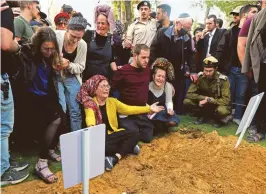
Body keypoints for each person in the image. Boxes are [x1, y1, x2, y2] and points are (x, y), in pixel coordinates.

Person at [76, 75, 164, 171]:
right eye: (102, 86)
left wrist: (148, 108)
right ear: (95, 90)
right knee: (102, 148)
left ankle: (115, 158)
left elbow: (129, 109)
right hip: (100, 139)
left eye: (107, 86)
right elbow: (90, 118)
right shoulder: (90, 104)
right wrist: (91, 126)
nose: (106, 89)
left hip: (114, 135)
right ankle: (128, 147)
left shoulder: (112, 101)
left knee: (135, 133)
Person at [17, 27, 64, 183]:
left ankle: (49, 149)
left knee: (62, 116)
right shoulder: (27, 52)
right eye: (46, 48)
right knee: (53, 120)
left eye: (52, 48)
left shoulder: (52, 56)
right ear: (38, 45)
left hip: (47, 93)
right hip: (30, 95)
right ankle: (41, 163)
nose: (49, 51)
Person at [1, 0, 29, 186]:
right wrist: (18, 47)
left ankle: (5, 160)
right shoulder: (4, 9)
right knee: (3, 126)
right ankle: (3, 171)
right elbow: (5, 44)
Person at [215, 4, 258, 125]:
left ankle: (237, 117)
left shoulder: (254, 32)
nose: (256, 14)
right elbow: (221, 49)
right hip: (230, 69)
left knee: (241, 95)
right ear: (244, 15)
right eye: (254, 12)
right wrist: (218, 67)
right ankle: (226, 115)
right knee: (228, 94)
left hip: (245, 70)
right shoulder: (230, 32)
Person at [150, 16, 196, 113]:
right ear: (178, 24)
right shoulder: (162, 32)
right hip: (160, 68)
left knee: (173, 91)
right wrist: (155, 66)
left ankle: (170, 111)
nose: (189, 30)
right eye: (187, 27)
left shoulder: (187, 37)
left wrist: (193, 71)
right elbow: (153, 50)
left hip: (177, 70)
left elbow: (191, 55)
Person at [111, 44, 154, 143]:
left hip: (141, 111)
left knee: (148, 136)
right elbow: (111, 89)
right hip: (126, 112)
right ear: (135, 56)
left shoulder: (147, 70)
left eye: (148, 57)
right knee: (134, 133)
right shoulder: (123, 71)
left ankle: (131, 132)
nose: (146, 60)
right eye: (143, 57)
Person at [55, 16, 87, 131]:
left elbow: (81, 67)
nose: (75, 40)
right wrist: (57, 61)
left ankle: (76, 137)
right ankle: (58, 139)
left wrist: (68, 65)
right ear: (67, 30)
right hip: (56, 76)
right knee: (61, 107)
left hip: (72, 76)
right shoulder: (57, 37)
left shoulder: (82, 45)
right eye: (73, 36)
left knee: (75, 110)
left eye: (79, 38)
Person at [183, 56, 231, 128]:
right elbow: (189, 94)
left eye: (210, 71)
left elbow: (226, 100)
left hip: (217, 104)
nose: (208, 73)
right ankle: (201, 115)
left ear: (215, 69)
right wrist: (204, 98)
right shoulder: (199, 77)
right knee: (187, 101)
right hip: (202, 104)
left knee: (222, 110)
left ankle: (217, 119)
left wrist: (209, 100)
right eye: (206, 70)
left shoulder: (223, 80)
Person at [243, 8, 266, 142]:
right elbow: (249, 43)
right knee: (263, 98)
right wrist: (247, 66)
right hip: (264, 64)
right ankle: (261, 129)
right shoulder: (259, 17)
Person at [82, 4, 115, 80]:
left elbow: (111, 60)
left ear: (108, 24)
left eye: (103, 23)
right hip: (88, 78)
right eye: (98, 23)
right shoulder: (88, 34)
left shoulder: (112, 39)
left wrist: (117, 72)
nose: (100, 26)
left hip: (105, 79)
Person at [148, 58, 180, 132]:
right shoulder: (147, 85)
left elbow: (169, 101)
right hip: (149, 111)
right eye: (158, 76)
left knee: (172, 120)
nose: (161, 79)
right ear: (153, 76)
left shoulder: (167, 86)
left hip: (162, 110)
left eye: (163, 77)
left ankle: (162, 125)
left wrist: (170, 109)